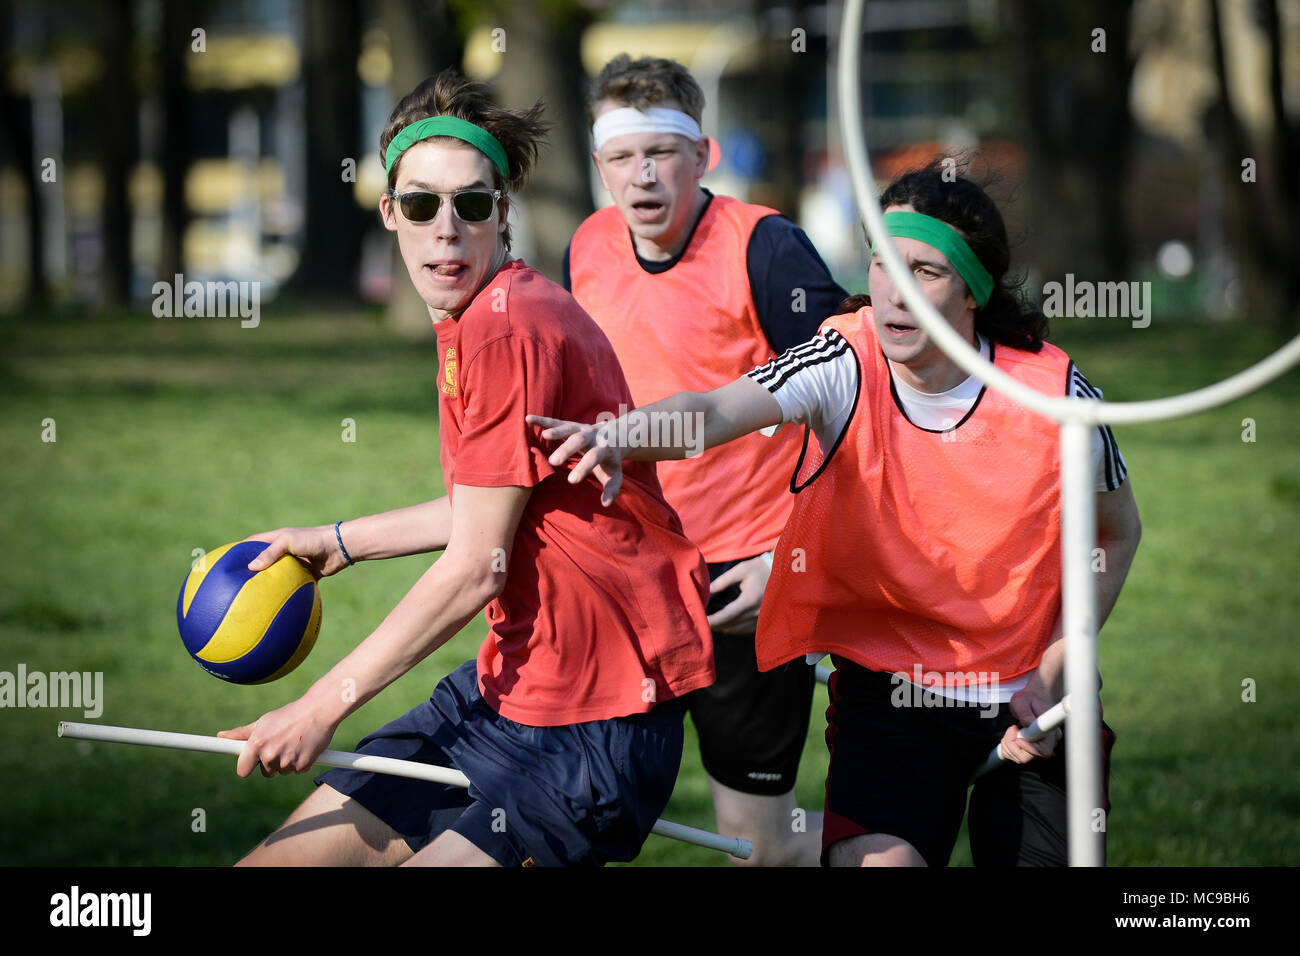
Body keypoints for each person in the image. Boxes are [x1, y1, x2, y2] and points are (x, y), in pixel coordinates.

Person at [530, 165, 1143, 867]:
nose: (895, 291)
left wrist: (1062, 665)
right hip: (891, 699)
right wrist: (620, 435)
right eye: (884, 262)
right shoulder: (843, 358)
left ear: (973, 290)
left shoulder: (1056, 397)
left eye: (926, 271)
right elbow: (713, 412)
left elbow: (1115, 532)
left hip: (1034, 694)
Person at [217, 68, 715, 867]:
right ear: (390, 213)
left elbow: (477, 566)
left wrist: (323, 703)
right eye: (420, 204)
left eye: (471, 204)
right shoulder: (475, 318)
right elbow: (495, 506)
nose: (445, 227)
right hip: (500, 692)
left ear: (501, 214)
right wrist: (336, 543)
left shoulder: (507, 327)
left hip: (597, 723)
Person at [561, 55, 846, 866]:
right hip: (626, 579)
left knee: (759, 845)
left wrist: (789, 564)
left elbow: (853, 414)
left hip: (740, 586)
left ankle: (902, 846)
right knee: (563, 808)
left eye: (662, 153)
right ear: (599, 165)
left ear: (704, 154)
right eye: (621, 156)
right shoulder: (585, 248)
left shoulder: (767, 248)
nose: (642, 175)